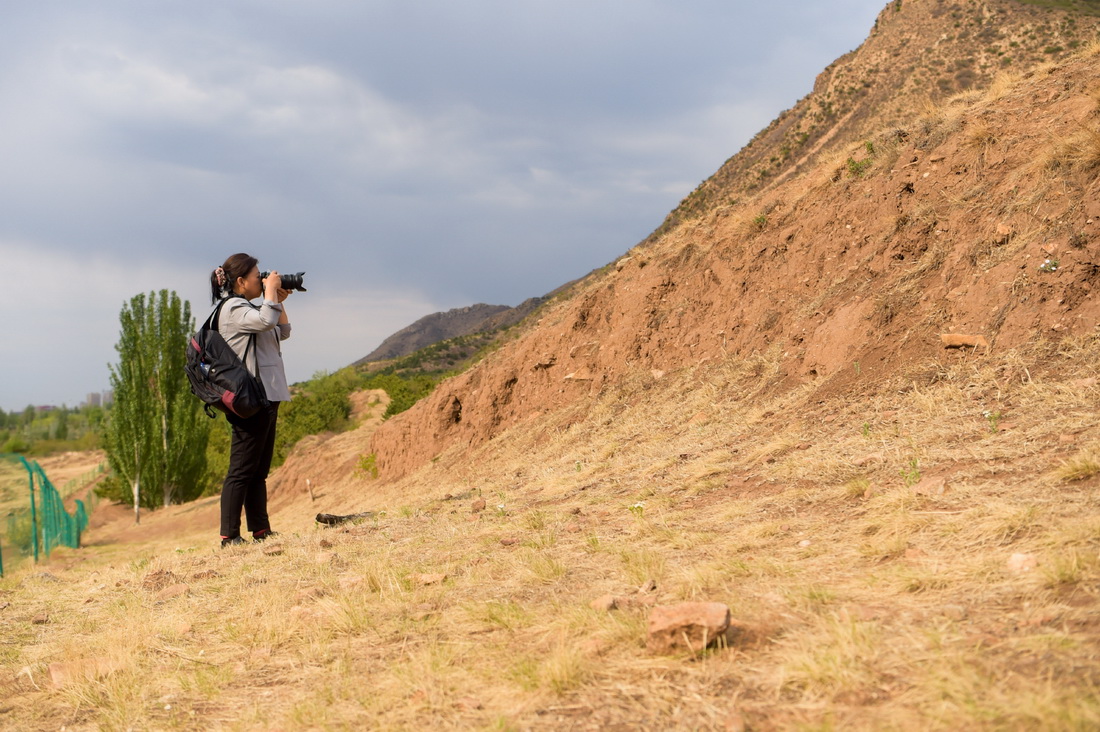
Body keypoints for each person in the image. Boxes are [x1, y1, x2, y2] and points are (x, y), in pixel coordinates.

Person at [209, 253, 293, 547]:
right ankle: (229, 536)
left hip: (268, 394)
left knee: (258, 470)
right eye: (259, 276)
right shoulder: (233, 308)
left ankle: (261, 531)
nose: (263, 279)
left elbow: (282, 330)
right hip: (251, 398)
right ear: (241, 282)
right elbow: (266, 319)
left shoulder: (250, 309)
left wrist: (277, 298)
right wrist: (271, 294)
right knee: (241, 470)